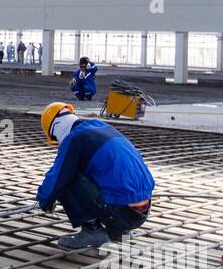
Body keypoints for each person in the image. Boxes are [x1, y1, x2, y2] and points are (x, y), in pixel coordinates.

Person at [36, 102, 155, 251]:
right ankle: (119, 232)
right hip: (142, 212)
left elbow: (57, 179)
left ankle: (92, 230)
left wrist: (44, 201)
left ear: (54, 130)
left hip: (121, 215)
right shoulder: (100, 126)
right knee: (98, 171)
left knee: (67, 177)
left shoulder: (75, 139)